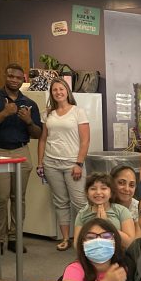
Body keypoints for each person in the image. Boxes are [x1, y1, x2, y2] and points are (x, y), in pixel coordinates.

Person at [0, 62, 42, 253]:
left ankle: (15, 238)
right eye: (10, 76)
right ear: (5, 77)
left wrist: (29, 121)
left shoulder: (30, 103)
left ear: (23, 78)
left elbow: (38, 133)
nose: (14, 80)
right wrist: (4, 113)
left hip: (21, 151)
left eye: (17, 77)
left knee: (18, 198)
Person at [38, 78, 89, 251]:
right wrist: (40, 163)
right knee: (60, 202)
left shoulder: (78, 112)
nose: (58, 92)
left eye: (61, 89)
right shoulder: (48, 114)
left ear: (67, 91)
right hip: (51, 163)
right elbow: (43, 139)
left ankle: (86, 238)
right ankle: (66, 238)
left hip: (72, 164)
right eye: (55, 90)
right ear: (51, 93)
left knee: (80, 202)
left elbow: (85, 140)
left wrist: (79, 163)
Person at [57, 218, 128, 281]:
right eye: (90, 237)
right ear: (82, 243)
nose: (99, 241)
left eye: (106, 236)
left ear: (115, 241)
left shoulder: (124, 267)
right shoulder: (76, 268)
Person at [74, 174, 137, 249]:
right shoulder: (82, 214)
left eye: (103, 188)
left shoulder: (122, 211)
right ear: (87, 193)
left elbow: (129, 243)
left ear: (111, 193)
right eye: (93, 188)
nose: (98, 192)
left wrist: (107, 224)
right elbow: (76, 245)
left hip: (118, 257)